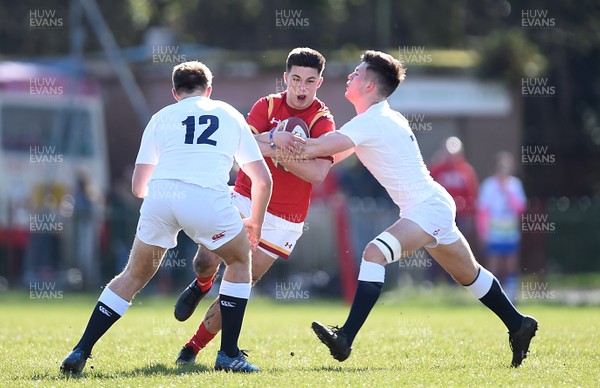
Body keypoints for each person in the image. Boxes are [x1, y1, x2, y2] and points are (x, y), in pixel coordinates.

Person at [296, 50, 537, 367]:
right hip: (431, 205)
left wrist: (271, 144)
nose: (351, 76)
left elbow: (318, 148)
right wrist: (294, 155)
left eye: (357, 72)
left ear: (369, 85)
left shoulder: (373, 121)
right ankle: (518, 324)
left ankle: (345, 338)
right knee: (471, 276)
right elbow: (327, 159)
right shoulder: (379, 118)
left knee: (373, 254)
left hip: (425, 208)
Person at [60, 61, 272, 374]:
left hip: (162, 197)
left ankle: (80, 350)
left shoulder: (161, 118)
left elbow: (137, 187)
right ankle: (228, 354)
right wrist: (255, 221)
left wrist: (170, 195)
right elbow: (262, 179)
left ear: (175, 93)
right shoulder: (228, 113)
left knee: (132, 274)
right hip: (207, 199)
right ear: (209, 90)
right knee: (240, 261)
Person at [172, 47, 336, 365]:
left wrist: (275, 149)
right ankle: (202, 283)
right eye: (297, 79)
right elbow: (241, 147)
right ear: (286, 78)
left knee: (238, 285)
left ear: (319, 82)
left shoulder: (321, 119)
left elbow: (318, 173)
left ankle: (191, 348)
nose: (302, 88)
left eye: (310, 82)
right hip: (246, 197)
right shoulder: (267, 105)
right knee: (206, 257)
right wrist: (280, 144)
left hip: (286, 219)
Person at [477, 151, 526, 303]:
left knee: (511, 264)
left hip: (510, 232)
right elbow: (482, 211)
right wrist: (483, 232)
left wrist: (508, 192)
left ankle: (512, 296)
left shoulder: (515, 184)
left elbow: (520, 207)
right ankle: (492, 297)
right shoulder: (488, 185)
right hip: (494, 233)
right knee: (494, 265)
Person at [428, 136, 479, 282]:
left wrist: (470, 216)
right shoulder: (437, 169)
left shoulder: (466, 171)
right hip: (439, 215)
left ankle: (455, 281)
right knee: (435, 246)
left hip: (460, 216)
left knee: (456, 248)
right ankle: (434, 282)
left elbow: (471, 195)